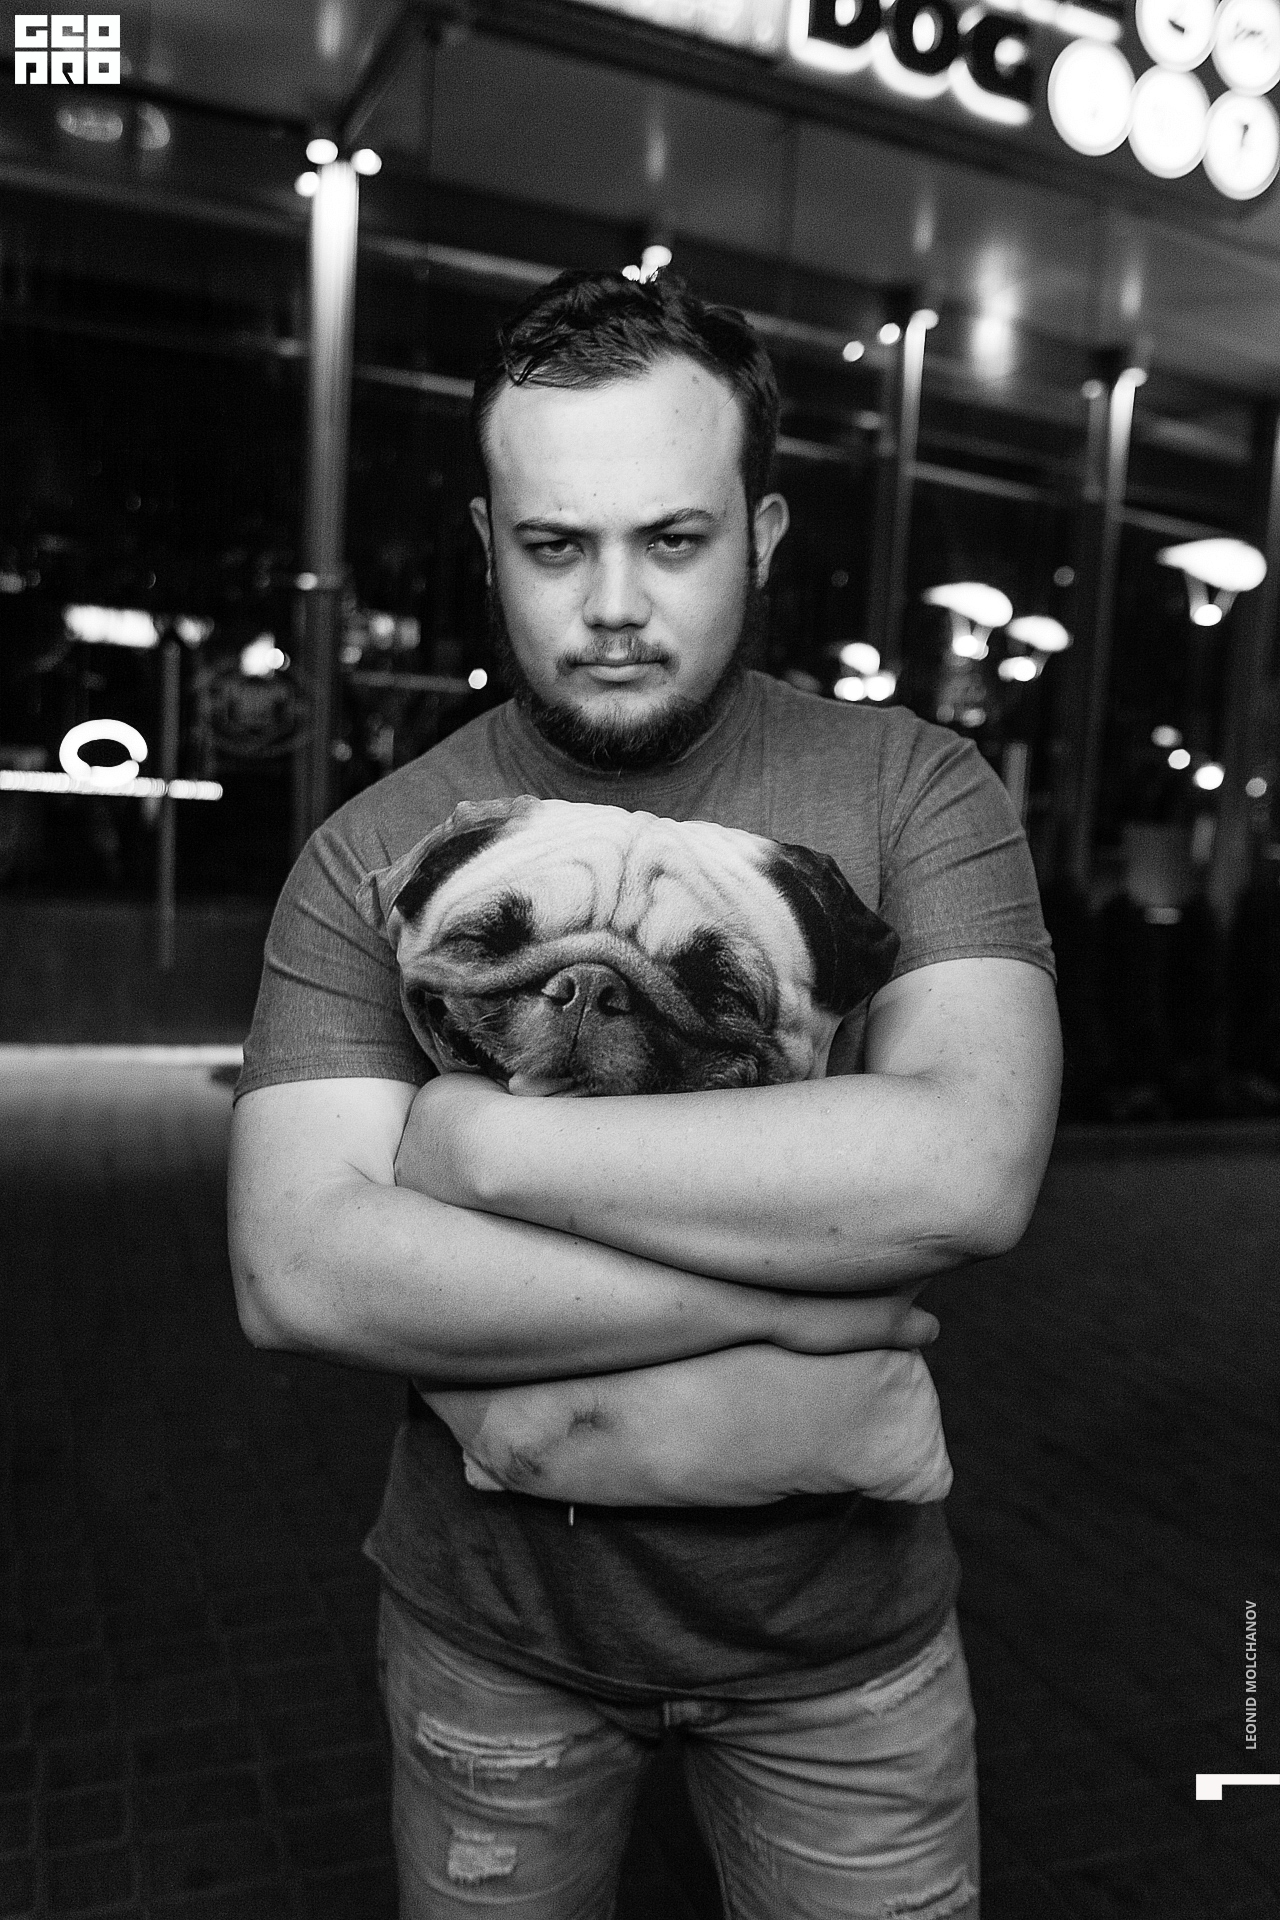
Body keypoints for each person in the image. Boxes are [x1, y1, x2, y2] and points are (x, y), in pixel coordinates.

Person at [229, 268, 1062, 1920]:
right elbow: (297, 1270)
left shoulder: (917, 788)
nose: (614, 604)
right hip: (490, 1636)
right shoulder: (373, 849)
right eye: (557, 547)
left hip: (846, 1655)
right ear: (488, 544)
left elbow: (967, 1167)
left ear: (762, 534)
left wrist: (475, 1144)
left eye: (673, 540)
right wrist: (797, 1293)